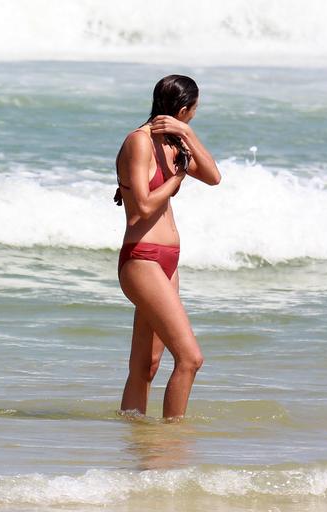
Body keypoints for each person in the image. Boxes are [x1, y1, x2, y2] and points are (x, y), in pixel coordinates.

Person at [115, 75, 221, 419]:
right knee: (190, 358)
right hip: (142, 258)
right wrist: (176, 179)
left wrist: (187, 135)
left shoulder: (175, 143)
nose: (193, 118)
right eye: (192, 114)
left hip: (167, 262)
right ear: (183, 109)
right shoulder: (139, 142)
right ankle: (172, 442)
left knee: (147, 365)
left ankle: (138, 441)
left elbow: (213, 176)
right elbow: (143, 207)